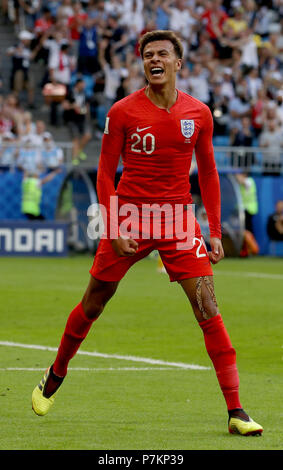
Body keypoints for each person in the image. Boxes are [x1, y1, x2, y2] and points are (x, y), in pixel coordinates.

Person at [31, 30, 263, 436]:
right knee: (94, 304)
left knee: (207, 306)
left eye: (162, 54)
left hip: (176, 219)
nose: (154, 60)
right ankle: (55, 374)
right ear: (143, 64)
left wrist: (211, 230)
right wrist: (114, 224)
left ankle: (236, 411)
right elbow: (105, 172)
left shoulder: (199, 114)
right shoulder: (123, 112)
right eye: (147, 55)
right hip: (131, 216)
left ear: (178, 63)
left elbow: (207, 172)